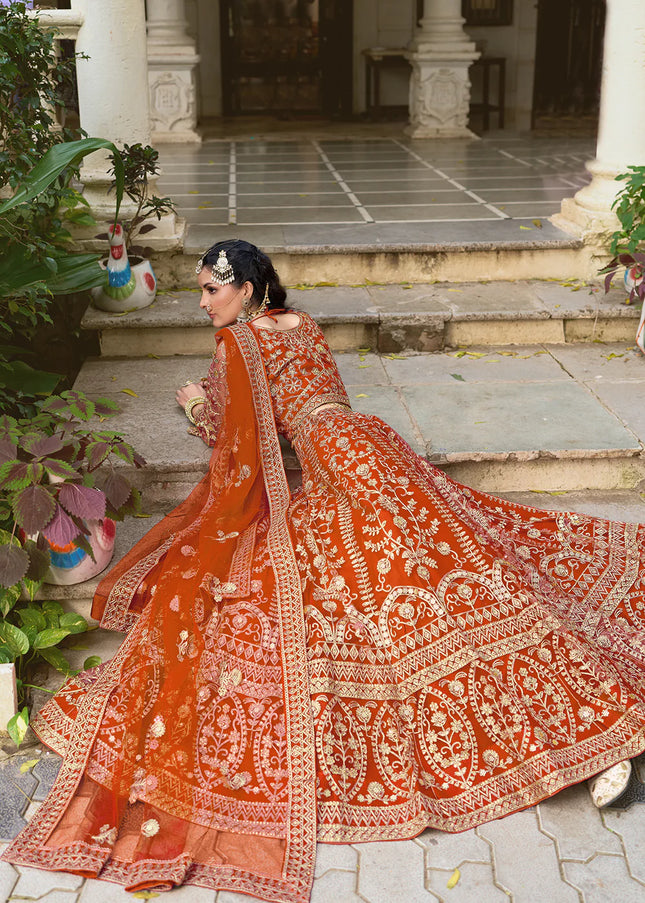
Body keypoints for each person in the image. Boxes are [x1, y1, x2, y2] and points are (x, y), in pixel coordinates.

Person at [4, 238, 645, 903]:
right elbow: (315, 394)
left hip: (333, 469)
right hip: (373, 442)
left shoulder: (236, 348)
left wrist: (196, 402)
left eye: (210, 290)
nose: (200, 302)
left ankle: (590, 736)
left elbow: (234, 440)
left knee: (409, 583)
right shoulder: (301, 323)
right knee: (468, 572)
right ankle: (598, 728)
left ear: (245, 289)